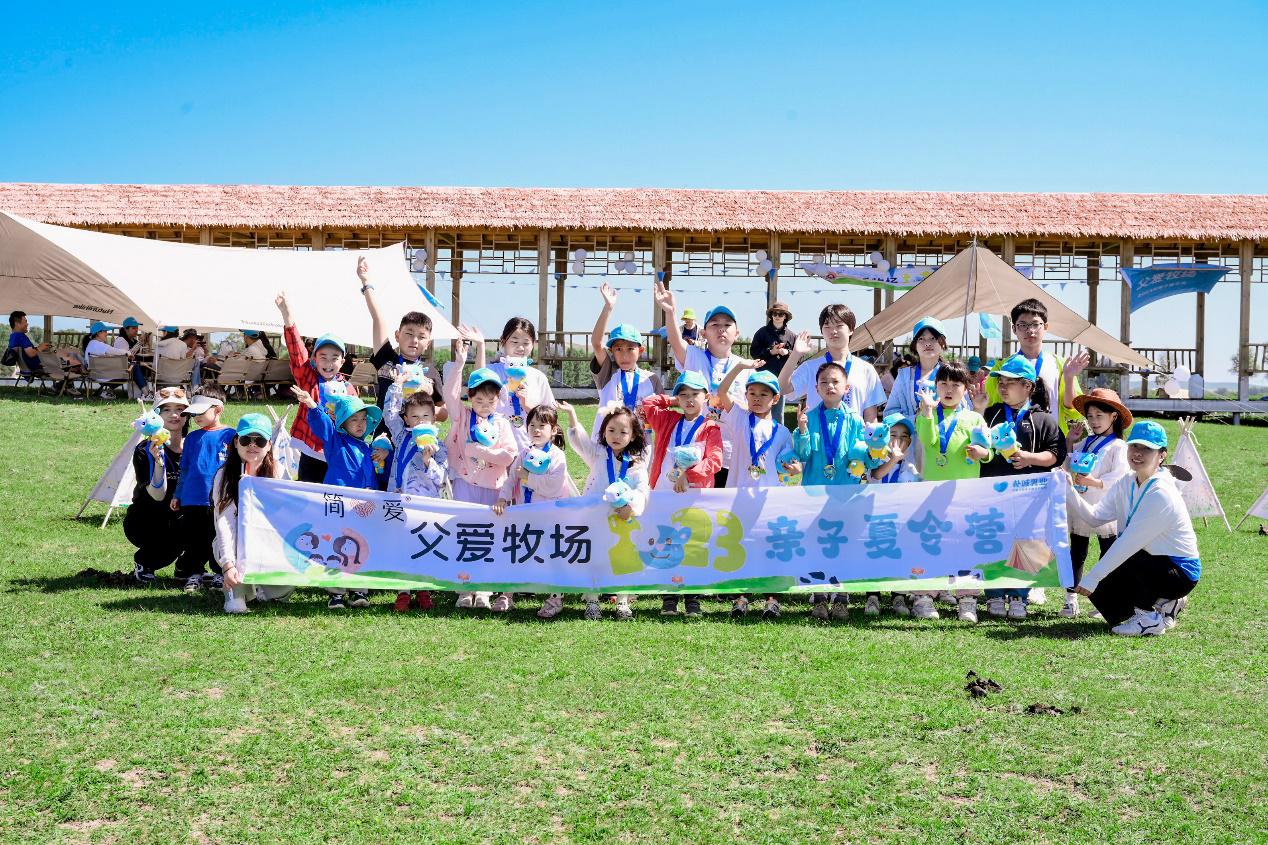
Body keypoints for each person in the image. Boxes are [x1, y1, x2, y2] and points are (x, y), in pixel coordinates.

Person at [1061, 421, 1199, 636]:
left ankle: (1149, 618)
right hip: (1146, 559)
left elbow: (1128, 543)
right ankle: (1164, 604)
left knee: (1116, 565)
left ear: (1162, 455)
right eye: (1134, 446)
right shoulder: (1126, 481)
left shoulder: (1162, 493)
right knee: (1106, 600)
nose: (1138, 453)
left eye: (1147, 449)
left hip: (1178, 572)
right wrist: (1069, 490)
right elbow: (1095, 517)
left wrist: (1092, 578)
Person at [979, 354, 1066, 620]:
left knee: (1026, 544)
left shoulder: (1044, 419)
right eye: (1001, 382)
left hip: (1030, 497)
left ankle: (1020, 595)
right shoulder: (991, 413)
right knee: (995, 542)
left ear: (1028, 386)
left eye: (1010, 382)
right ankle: (994, 594)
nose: (1003, 387)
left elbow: (1056, 454)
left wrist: (1030, 458)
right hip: (993, 494)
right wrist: (978, 410)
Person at [715, 360, 800, 620]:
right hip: (739, 497)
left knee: (768, 547)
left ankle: (772, 600)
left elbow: (787, 465)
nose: (757, 398)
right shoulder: (740, 418)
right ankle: (741, 598)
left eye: (764, 394)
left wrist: (794, 469)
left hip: (768, 499)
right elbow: (721, 392)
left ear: (775, 399)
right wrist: (740, 368)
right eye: (752, 393)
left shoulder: (783, 432)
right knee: (741, 546)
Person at [291, 386, 386, 610]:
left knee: (362, 546)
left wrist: (384, 457)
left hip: (363, 510)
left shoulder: (368, 449)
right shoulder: (336, 442)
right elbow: (323, 425)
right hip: (339, 507)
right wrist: (312, 405)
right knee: (336, 547)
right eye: (354, 419)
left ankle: (359, 589)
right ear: (343, 423)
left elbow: (376, 476)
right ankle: (336, 593)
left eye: (363, 419)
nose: (360, 424)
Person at [442, 335, 518, 611]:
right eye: (479, 399)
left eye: (491, 400)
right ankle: (465, 589)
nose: (485, 405)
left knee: (489, 536)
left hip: (493, 488)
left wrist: (482, 452)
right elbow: (449, 395)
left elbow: (509, 455)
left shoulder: (503, 424)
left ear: (498, 399)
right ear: (470, 398)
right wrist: (460, 364)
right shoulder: (463, 416)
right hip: (464, 484)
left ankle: (484, 589)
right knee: (465, 533)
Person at [914, 361, 991, 623]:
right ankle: (924, 598)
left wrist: (983, 453)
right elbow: (928, 441)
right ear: (935, 386)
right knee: (930, 544)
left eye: (956, 385)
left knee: (965, 546)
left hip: (966, 496)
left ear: (965, 389)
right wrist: (927, 411)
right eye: (943, 383)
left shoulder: (974, 418)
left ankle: (967, 600)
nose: (949, 389)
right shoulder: (926, 414)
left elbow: (988, 450)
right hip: (933, 494)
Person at [642, 372, 724, 619]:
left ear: (706, 397)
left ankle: (693, 599)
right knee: (667, 543)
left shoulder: (710, 427)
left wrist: (689, 475)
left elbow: (715, 460)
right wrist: (672, 400)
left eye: (695, 394)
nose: (689, 400)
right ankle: (669, 597)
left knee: (693, 545)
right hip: (665, 492)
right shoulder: (669, 420)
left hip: (694, 495)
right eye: (684, 394)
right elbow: (648, 403)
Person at [558, 402, 649, 621]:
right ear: (603, 431)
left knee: (623, 558)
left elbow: (642, 490)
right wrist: (572, 415)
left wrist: (631, 508)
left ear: (633, 436)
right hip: (595, 519)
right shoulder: (598, 454)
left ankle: (622, 601)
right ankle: (592, 600)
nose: (616, 436)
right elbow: (580, 442)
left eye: (623, 432)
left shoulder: (636, 464)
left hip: (622, 520)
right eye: (611, 430)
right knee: (594, 557)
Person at [793, 360, 868, 621]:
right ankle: (820, 598)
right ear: (816, 388)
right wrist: (802, 431)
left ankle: (841, 598)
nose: (830, 386)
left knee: (844, 543)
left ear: (847, 388)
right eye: (824, 382)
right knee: (817, 543)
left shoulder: (855, 420)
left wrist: (871, 454)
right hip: (815, 492)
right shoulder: (810, 418)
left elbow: (862, 454)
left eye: (835, 381)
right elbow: (803, 455)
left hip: (846, 493)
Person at [654, 283, 744, 486]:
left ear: (737, 333)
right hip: (698, 455)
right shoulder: (694, 357)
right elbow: (676, 341)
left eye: (727, 325)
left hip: (734, 454)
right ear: (703, 333)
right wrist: (670, 312)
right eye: (714, 324)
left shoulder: (745, 367)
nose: (721, 329)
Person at [382, 370, 451, 612]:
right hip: (399, 499)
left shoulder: (438, 445)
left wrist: (428, 461)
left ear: (434, 418)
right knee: (402, 544)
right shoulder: (401, 435)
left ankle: (423, 588)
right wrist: (396, 386)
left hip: (425, 504)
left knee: (423, 543)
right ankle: (403, 590)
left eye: (425, 416)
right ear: (407, 419)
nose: (420, 421)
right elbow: (389, 413)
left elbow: (442, 478)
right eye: (414, 416)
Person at [215, 414, 295, 613]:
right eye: (246, 439)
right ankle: (235, 588)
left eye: (259, 440)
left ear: (269, 445)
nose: (252, 445)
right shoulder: (224, 474)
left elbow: (289, 513)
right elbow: (224, 523)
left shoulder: (278, 471)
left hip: (268, 540)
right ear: (236, 442)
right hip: (236, 542)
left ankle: (260, 587)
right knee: (236, 607)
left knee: (281, 592)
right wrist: (228, 564)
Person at [1062, 388, 1132, 619]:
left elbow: (1121, 476)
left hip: (1105, 508)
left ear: (1114, 416)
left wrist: (1094, 482)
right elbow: (1068, 464)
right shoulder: (1086, 442)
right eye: (1090, 416)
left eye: (1099, 416)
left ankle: (1105, 601)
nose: (1094, 421)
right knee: (1076, 553)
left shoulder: (1118, 446)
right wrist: (1070, 441)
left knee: (1108, 554)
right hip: (1081, 505)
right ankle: (1070, 600)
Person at [358, 256, 448, 423]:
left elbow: (444, 414)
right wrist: (366, 283)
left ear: (428, 344)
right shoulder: (386, 359)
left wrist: (426, 400)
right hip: (385, 436)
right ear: (397, 336)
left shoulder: (431, 372)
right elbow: (378, 319)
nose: (415, 340)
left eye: (421, 336)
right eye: (409, 333)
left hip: (417, 437)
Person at [982, 299, 1090, 435]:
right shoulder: (1001, 368)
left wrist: (1069, 379)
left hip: (1050, 440)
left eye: (1035, 324)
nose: (1030, 330)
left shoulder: (1061, 365)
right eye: (1023, 325)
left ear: (1046, 327)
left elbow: (1073, 412)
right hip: (1010, 439)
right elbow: (991, 406)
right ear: (1014, 329)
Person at [276, 290, 350, 482]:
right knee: (308, 491)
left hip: (337, 449)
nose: (328, 363)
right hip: (311, 450)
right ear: (314, 359)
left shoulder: (349, 389)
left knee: (333, 492)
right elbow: (297, 352)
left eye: (334, 358)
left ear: (342, 361)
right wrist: (287, 316)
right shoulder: (308, 379)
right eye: (323, 357)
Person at [171, 386, 236, 594]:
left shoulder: (231, 435)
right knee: (194, 539)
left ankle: (219, 572)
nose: (196, 417)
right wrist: (178, 494)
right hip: (192, 498)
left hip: (220, 500)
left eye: (201, 412)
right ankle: (195, 573)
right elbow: (185, 469)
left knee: (219, 536)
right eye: (194, 413)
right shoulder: (191, 438)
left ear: (218, 409)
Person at [866, 413, 932, 619]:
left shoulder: (909, 465)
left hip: (900, 521)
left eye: (904, 437)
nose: (898, 440)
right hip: (876, 518)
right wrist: (893, 459)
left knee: (900, 555)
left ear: (909, 442)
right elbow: (876, 475)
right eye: (893, 435)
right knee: (875, 556)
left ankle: (899, 596)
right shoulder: (873, 457)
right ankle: (873, 596)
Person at [123, 387, 190, 584]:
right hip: (147, 519)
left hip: (183, 514)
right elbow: (157, 495)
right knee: (175, 538)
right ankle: (145, 562)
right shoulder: (145, 450)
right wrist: (159, 463)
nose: (174, 415)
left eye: (180, 409)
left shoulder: (195, 445)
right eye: (166, 409)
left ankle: (188, 566)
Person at [779, 304, 886, 423]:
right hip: (817, 434)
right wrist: (795, 354)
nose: (833, 331)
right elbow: (782, 389)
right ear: (822, 331)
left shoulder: (866, 369)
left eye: (839, 326)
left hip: (854, 435)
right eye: (827, 326)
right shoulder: (811, 367)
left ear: (851, 329)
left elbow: (871, 417)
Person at [589, 283, 661, 426]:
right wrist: (608, 307)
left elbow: (662, 415)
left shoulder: (652, 379)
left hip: (640, 439)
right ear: (611, 351)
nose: (624, 355)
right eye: (618, 349)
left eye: (630, 349)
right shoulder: (608, 372)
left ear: (641, 351)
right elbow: (596, 343)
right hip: (607, 439)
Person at [884, 317, 972, 424]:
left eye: (933, 338)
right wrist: (917, 420)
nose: (927, 343)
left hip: (945, 434)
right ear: (915, 345)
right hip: (911, 434)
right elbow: (889, 414)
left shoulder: (953, 373)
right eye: (921, 339)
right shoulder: (904, 375)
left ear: (943, 343)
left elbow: (967, 411)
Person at [487, 317, 557, 450]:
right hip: (495, 448)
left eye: (526, 343)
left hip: (528, 449)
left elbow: (551, 416)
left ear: (533, 344)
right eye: (514, 341)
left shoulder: (538, 377)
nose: (520, 348)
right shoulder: (491, 372)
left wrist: (529, 407)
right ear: (503, 341)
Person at [6, 310, 81, 395]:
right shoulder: (20, 336)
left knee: (67, 360)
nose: (27, 324)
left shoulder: (13, 337)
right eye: (25, 321)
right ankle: (63, 387)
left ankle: (61, 386)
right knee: (73, 363)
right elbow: (31, 354)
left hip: (35, 365)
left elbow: (27, 352)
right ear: (17, 323)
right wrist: (40, 348)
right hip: (41, 365)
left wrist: (40, 348)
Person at [749, 301, 795, 423]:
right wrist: (770, 352)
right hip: (762, 377)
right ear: (771, 315)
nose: (777, 316)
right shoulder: (761, 332)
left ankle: (777, 434)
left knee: (777, 414)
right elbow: (754, 352)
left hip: (781, 378)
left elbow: (798, 357)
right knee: (759, 409)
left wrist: (787, 352)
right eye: (775, 313)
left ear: (785, 317)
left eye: (781, 314)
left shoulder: (791, 336)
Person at [83, 321, 130, 398]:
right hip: (105, 376)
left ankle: (105, 391)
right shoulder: (98, 345)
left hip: (95, 375)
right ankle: (107, 391)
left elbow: (111, 353)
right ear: (98, 333)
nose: (107, 333)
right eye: (105, 331)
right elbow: (115, 351)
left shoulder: (91, 344)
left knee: (125, 369)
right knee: (128, 372)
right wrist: (129, 353)